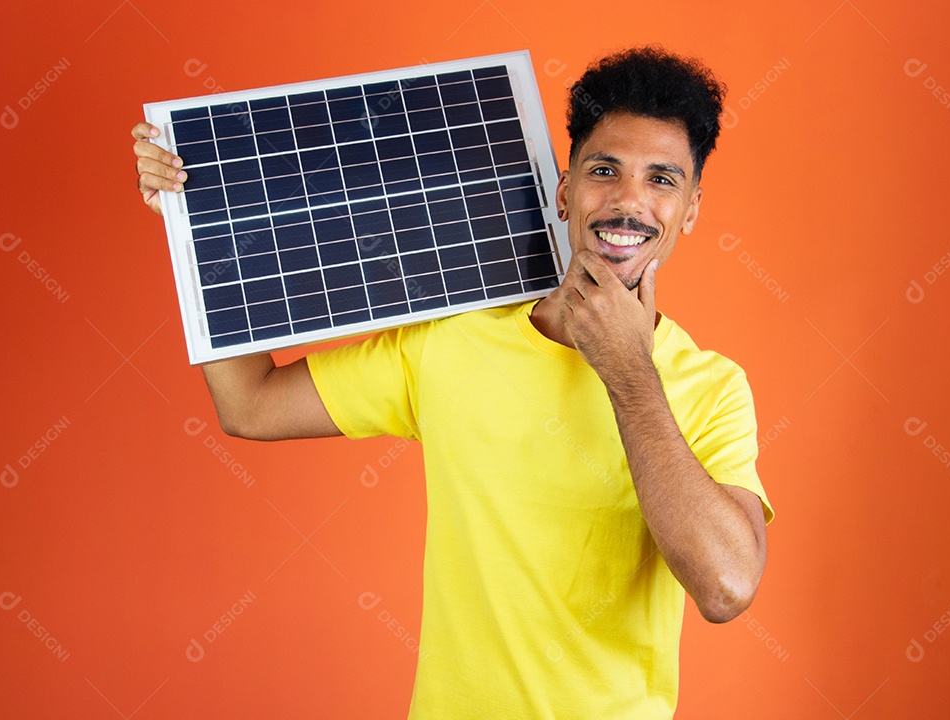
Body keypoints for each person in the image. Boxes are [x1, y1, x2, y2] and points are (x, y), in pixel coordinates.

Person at [133, 46, 773, 719]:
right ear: (563, 190)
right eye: (604, 170)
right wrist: (196, 224)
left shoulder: (712, 388)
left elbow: (726, 588)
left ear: (692, 209)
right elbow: (249, 405)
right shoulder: (455, 339)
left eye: (662, 180)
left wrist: (628, 372)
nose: (627, 203)